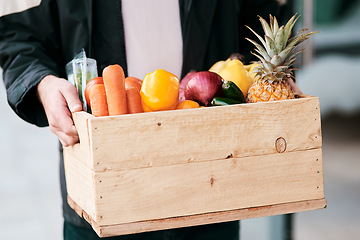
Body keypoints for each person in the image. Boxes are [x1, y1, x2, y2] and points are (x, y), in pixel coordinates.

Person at [0, 0, 291, 239]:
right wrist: (43, 84)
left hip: (210, 183)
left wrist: (274, 81)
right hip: (104, 192)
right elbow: (18, 34)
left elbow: (263, 18)